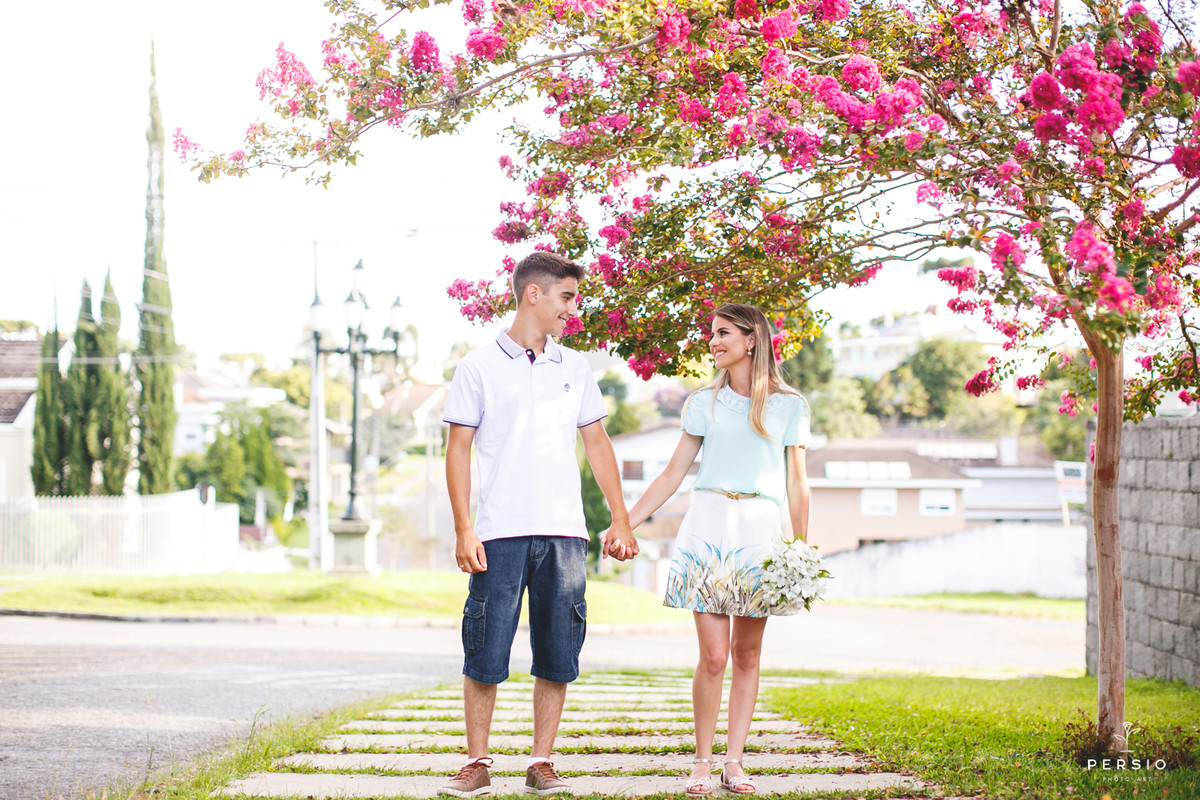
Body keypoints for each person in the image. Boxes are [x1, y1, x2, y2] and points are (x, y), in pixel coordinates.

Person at [438, 251, 639, 798]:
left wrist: (620, 517)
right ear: (534, 294)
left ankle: (541, 761)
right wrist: (463, 528)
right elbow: (457, 451)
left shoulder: (575, 367)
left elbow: (596, 444)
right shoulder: (477, 367)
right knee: (485, 650)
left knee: (558, 650)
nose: (573, 309)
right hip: (498, 531)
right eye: (567, 297)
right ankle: (476, 762)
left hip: (564, 533)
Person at [605, 303, 811, 797]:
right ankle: (702, 761)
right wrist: (624, 522)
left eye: (723, 333)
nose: (713, 342)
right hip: (708, 526)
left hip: (761, 532)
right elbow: (673, 474)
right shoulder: (703, 402)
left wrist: (802, 551)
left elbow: (798, 484)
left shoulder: (790, 405)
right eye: (712, 334)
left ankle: (733, 762)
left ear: (751, 339)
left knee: (747, 654)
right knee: (714, 656)